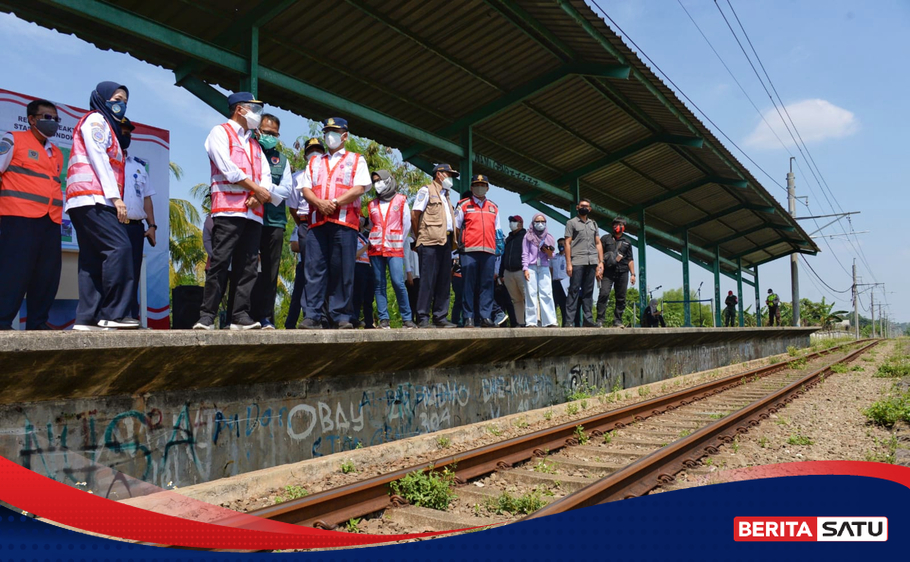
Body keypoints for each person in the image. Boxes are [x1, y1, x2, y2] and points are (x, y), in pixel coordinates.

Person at [194, 92, 285, 331]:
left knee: (248, 266)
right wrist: (257, 190)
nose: (257, 115)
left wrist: (259, 195)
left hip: (253, 214)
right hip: (228, 210)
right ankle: (206, 316)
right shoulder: (219, 132)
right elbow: (228, 169)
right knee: (220, 263)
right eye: (254, 109)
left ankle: (240, 316)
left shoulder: (254, 143)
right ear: (239, 110)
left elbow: (265, 174)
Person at [65, 82, 138, 331]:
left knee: (92, 259)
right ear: (101, 98)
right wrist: (116, 198)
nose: (121, 104)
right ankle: (113, 314)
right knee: (120, 248)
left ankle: (88, 318)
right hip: (93, 197)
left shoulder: (109, 127)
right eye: (117, 98)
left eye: (125, 100)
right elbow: (98, 157)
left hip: (86, 199)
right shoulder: (96, 120)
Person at [297, 118, 370, 330]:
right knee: (314, 270)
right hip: (317, 223)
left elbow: (360, 187)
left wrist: (335, 203)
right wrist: (319, 203)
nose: (330, 135)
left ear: (345, 135)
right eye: (327, 131)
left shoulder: (357, 160)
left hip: (344, 222)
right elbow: (306, 189)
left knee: (342, 270)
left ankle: (341, 316)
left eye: (335, 131)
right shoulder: (314, 162)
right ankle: (313, 315)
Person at [0, 99, 64, 330]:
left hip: (51, 220)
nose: (52, 123)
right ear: (32, 119)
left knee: (46, 276)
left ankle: (37, 323)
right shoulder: (13, 139)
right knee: (13, 272)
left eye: (56, 119)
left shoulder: (56, 153)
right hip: (18, 218)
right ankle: (2, 322)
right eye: (47, 118)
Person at [250, 113, 293, 330]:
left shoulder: (282, 160)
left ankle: (265, 317)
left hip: (274, 221)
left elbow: (286, 190)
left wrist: (264, 190)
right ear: (257, 130)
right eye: (266, 132)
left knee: (270, 271)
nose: (270, 137)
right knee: (247, 268)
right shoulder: (249, 152)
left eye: (274, 134)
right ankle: (244, 315)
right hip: (250, 218)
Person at [411, 163, 458, 328]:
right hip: (429, 241)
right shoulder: (426, 190)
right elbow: (415, 215)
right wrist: (420, 237)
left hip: (446, 242)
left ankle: (440, 317)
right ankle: (423, 318)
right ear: (439, 174)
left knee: (444, 281)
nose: (450, 178)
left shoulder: (446, 196)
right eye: (448, 174)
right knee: (427, 281)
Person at [367, 170, 416, 329]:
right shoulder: (372, 204)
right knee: (379, 283)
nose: (377, 183)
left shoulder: (401, 200)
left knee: (397, 281)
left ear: (388, 180)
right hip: (376, 249)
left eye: (379, 180)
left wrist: (397, 241)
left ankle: (407, 318)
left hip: (394, 248)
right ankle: (384, 320)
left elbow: (406, 224)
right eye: (374, 181)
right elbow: (370, 225)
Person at [120, 119, 157, 321]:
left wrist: (152, 226)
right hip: (114, 224)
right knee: (115, 271)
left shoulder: (138, 166)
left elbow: (147, 198)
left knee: (133, 273)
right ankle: (110, 314)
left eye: (129, 133)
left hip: (136, 227)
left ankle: (130, 315)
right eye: (122, 132)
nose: (126, 136)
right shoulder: (107, 160)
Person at [285, 138, 323, 329]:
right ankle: (310, 315)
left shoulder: (327, 176)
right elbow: (292, 207)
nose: (314, 153)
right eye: (311, 150)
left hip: (324, 223)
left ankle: (324, 314)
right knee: (309, 271)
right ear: (306, 154)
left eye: (318, 150)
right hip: (306, 223)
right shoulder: (297, 178)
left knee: (325, 269)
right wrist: (301, 224)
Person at [455, 174, 500, 328]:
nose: (479, 187)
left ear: (487, 188)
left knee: (487, 285)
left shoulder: (494, 207)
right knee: (468, 284)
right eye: (476, 185)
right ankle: (468, 317)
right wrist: (459, 246)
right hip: (469, 250)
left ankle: (485, 316)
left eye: (483, 185)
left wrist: (498, 248)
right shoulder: (463, 205)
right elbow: (455, 228)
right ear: (472, 187)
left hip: (488, 251)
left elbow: (498, 230)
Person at [564, 198, 603, 327]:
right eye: (582, 206)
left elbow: (598, 243)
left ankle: (588, 320)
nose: (584, 208)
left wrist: (600, 262)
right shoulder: (571, 223)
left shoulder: (593, 224)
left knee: (588, 291)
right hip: (577, 261)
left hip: (591, 261)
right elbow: (567, 243)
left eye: (586, 206)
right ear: (577, 207)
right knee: (574, 290)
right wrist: (569, 263)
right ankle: (569, 321)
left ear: (590, 209)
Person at [596, 217, 635, 328]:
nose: (617, 226)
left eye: (620, 224)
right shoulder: (605, 239)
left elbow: (630, 259)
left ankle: (617, 321)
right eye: (615, 224)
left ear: (624, 227)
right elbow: (599, 255)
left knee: (621, 297)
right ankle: (599, 320)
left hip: (623, 272)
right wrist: (598, 269)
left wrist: (633, 274)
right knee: (604, 294)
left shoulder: (627, 242)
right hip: (608, 272)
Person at [522, 214, 558, 328]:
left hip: (544, 266)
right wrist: (525, 268)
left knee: (546, 293)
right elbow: (525, 253)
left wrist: (547, 251)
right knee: (531, 294)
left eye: (543, 221)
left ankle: (550, 321)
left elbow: (551, 255)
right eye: (537, 221)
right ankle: (531, 322)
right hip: (531, 267)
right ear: (533, 222)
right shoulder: (527, 236)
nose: (540, 223)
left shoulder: (549, 237)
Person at [499, 214, 526, 326]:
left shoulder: (526, 237)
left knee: (528, 297)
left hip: (521, 271)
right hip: (508, 273)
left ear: (521, 223)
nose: (512, 223)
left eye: (514, 221)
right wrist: (501, 273)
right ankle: (520, 322)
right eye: (510, 221)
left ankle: (534, 321)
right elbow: (503, 256)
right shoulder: (508, 239)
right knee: (516, 300)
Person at [352, 217, 374, 329]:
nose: (360, 220)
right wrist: (367, 246)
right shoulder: (352, 236)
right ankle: (354, 319)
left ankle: (369, 322)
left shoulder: (365, 236)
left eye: (362, 219)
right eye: (358, 218)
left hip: (368, 267)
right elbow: (354, 254)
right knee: (357, 296)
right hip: (358, 266)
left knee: (369, 297)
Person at [550, 237, 568, 325]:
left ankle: (565, 324)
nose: (561, 246)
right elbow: (550, 269)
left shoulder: (568, 257)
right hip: (555, 282)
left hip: (565, 283)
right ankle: (553, 323)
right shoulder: (554, 257)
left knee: (564, 306)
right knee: (553, 304)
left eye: (562, 244)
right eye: (559, 244)